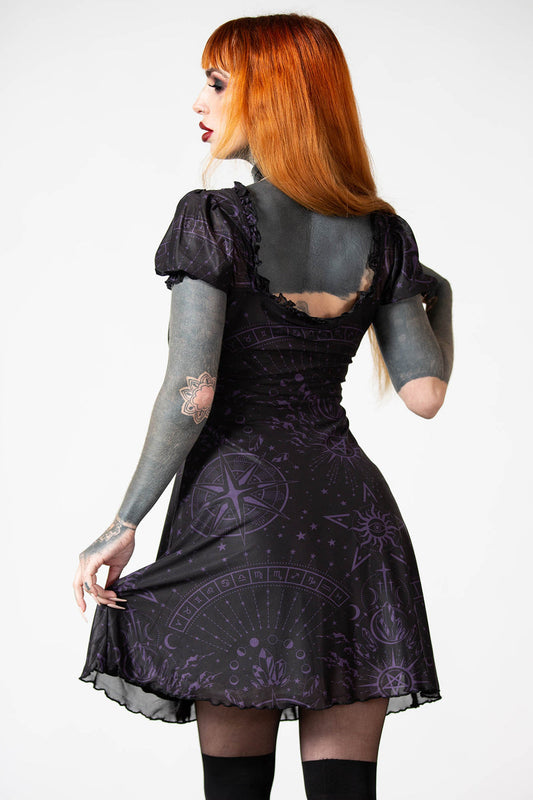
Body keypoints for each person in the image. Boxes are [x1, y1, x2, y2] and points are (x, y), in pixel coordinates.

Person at [73, 13, 453, 800]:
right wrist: (436, 296)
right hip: (352, 522)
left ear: (273, 96)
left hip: (238, 516)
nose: (198, 102)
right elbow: (425, 395)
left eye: (217, 84)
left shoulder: (213, 219)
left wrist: (122, 523)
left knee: (235, 790)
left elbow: (192, 391)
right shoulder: (385, 237)